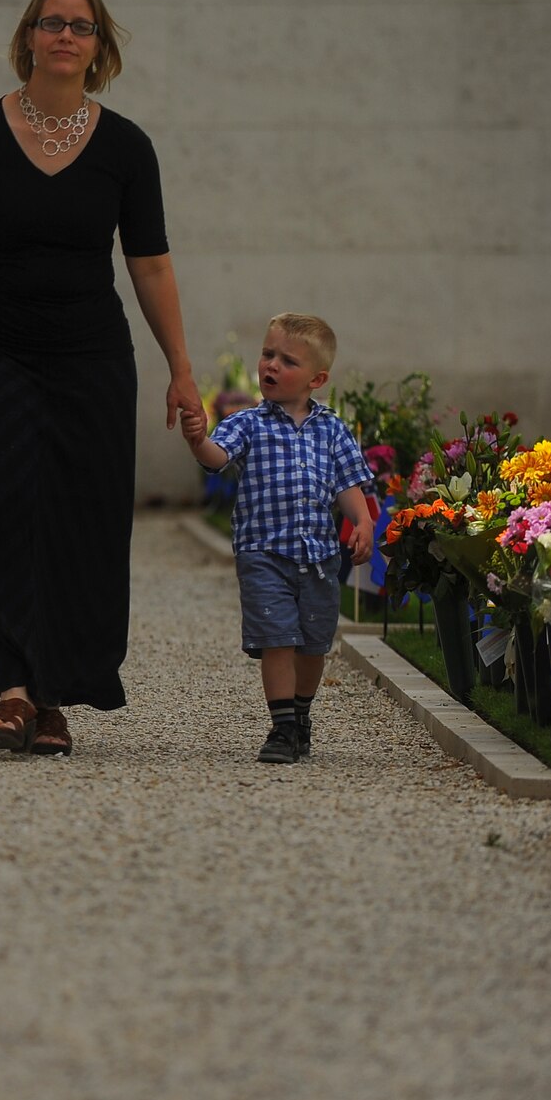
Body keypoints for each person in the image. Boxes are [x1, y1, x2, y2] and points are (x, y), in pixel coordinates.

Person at [0, 0, 201, 756]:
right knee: (6, 508)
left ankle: (55, 693)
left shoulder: (126, 147)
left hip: (92, 356)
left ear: (99, 47)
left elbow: (151, 265)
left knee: (83, 519)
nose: (65, 36)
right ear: (28, 36)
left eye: (81, 27)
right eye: (52, 23)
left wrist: (181, 368)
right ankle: (15, 688)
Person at [178, 313, 374, 764]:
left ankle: (301, 713)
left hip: (319, 556)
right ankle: (282, 728)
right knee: (277, 639)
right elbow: (216, 456)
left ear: (316, 379)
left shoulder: (331, 429)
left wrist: (361, 523)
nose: (271, 365)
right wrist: (197, 439)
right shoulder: (249, 423)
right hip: (263, 554)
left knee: (312, 645)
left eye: (287, 360)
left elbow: (348, 484)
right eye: (268, 354)